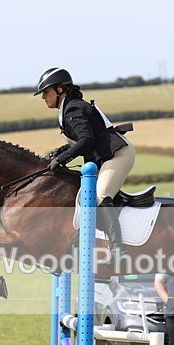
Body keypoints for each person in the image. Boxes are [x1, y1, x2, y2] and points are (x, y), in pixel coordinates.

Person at [34, 67, 136, 260]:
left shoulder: (73, 108)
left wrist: (61, 159)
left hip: (118, 154)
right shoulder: (69, 108)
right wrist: (59, 152)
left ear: (60, 90)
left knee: (101, 194)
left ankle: (118, 250)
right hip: (104, 157)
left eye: (46, 92)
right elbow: (80, 141)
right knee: (82, 197)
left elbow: (86, 141)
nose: (43, 97)